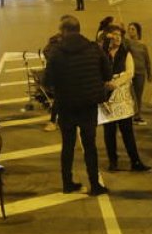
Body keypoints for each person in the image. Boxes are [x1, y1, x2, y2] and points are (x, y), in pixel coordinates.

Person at [45, 15, 111, 195]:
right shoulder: (93, 48)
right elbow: (107, 73)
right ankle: (95, 185)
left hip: (66, 104)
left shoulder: (57, 52)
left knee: (68, 145)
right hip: (88, 105)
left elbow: (47, 80)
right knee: (90, 145)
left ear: (65, 31)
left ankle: (67, 182)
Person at [101, 25, 150, 172]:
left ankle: (135, 161)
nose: (117, 37)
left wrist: (115, 83)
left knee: (127, 130)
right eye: (114, 34)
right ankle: (113, 161)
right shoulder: (102, 53)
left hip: (122, 98)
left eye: (119, 35)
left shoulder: (126, 53)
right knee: (109, 132)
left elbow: (130, 73)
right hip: (106, 98)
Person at [125, 22, 152, 126]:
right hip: (131, 72)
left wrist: (149, 73)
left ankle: (137, 115)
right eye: (129, 29)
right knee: (131, 95)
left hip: (141, 73)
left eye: (132, 29)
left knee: (138, 95)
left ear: (137, 31)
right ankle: (130, 114)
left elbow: (147, 59)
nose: (130, 31)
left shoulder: (143, 45)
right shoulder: (127, 43)